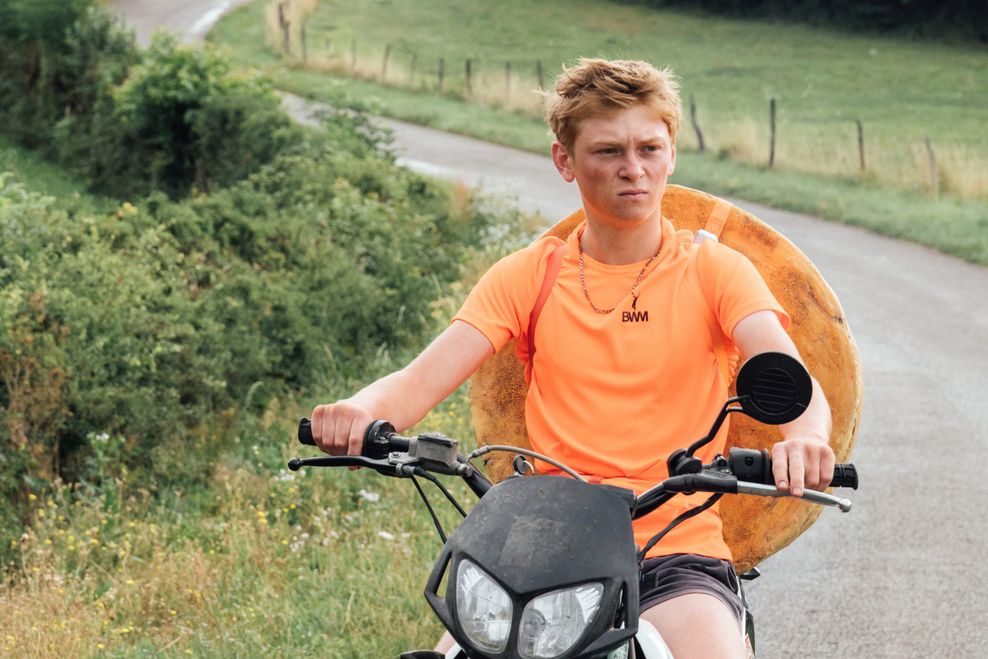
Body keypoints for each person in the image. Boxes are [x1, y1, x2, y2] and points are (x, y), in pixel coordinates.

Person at [310, 58, 834, 658]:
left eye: (649, 148)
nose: (633, 170)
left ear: (671, 154)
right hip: (541, 548)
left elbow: (792, 377)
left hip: (671, 548)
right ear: (565, 161)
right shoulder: (530, 275)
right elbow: (417, 380)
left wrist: (805, 439)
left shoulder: (715, 270)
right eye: (608, 151)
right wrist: (357, 411)